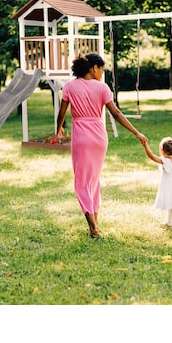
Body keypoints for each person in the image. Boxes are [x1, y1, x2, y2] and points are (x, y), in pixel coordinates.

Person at [56, 53, 148, 238]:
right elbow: (116, 113)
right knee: (93, 181)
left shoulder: (69, 86)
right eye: (101, 70)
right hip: (99, 138)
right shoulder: (102, 88)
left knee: (82, 182)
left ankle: (93, 227)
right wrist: (136, 132)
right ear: (94, 67)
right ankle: (95, 223)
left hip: (81, 138)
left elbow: (62, 112)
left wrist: (58, 130)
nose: (101, 74)